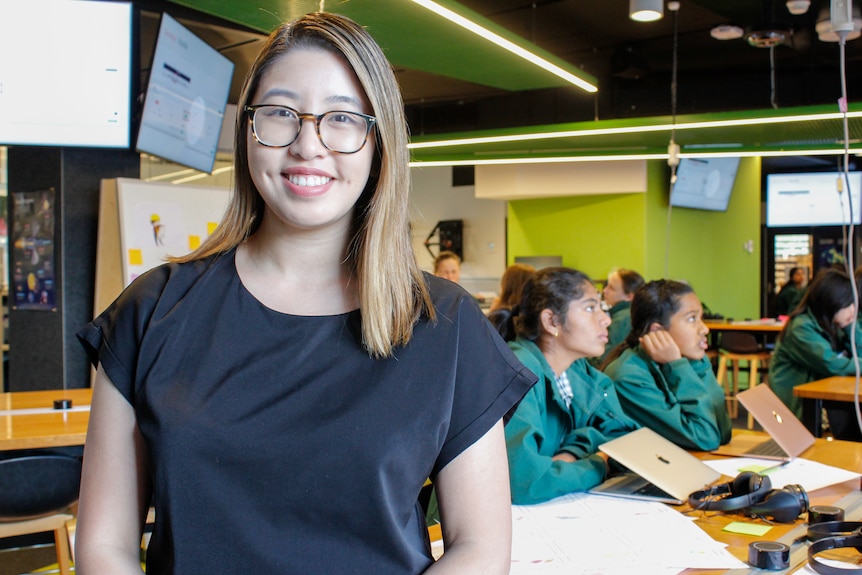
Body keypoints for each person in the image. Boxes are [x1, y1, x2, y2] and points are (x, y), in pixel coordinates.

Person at [74, 13, 535, 575]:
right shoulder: (153, 310)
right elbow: (104, 545)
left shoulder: (445, 322)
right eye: (280, 113)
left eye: (341, 118)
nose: (307, 144)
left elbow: (481, 549)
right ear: (249, 130)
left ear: (378, 140)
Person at [495, 267, 640, 505]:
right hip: (463, 528)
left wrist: (573, 451)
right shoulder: (520, 372)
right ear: (551, 321)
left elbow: (625, 438)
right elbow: (527, 483)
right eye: (590, 308)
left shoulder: (578, 372)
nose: (606, 319)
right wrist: (598, 464)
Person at [601, 280, 732, 451]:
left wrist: (696, 365)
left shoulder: (683, 361)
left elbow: (723, 432)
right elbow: (706, 437)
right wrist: (677, 366)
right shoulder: (629, 377)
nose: (704, 329)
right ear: (657, 332)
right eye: (692, 319)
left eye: (701, 318)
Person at [770, 268, 859, 427]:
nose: (853, 309)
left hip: (818, 405)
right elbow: (831, 364)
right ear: (832, 302)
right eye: (848, 304)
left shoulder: (831, 324)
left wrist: (849, 327)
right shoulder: (801, 328)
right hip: (793, 412)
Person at [597, 268, 644, 365]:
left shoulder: (623, 319)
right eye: (606, 286)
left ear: (629, 297)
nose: (605, 291)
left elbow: (607, 356)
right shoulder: (633, 314)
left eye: (611, 288)